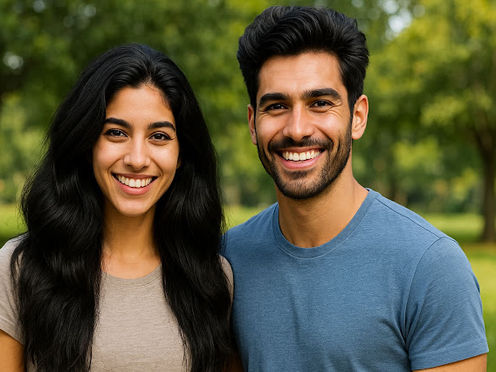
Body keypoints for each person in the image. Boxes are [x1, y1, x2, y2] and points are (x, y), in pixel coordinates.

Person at [222, 6, 488, 371]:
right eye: (277, 105)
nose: (297, 129)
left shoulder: (431, 267)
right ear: (253, 124)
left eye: (320, 103)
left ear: (357, 117)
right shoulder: (228, 261)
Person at [0, 43, 235, 371]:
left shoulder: (211, 277)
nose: (137, 159)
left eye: (159, 137)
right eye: (116, 133)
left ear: (182, 155)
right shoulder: (20, 268)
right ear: (87, 143)